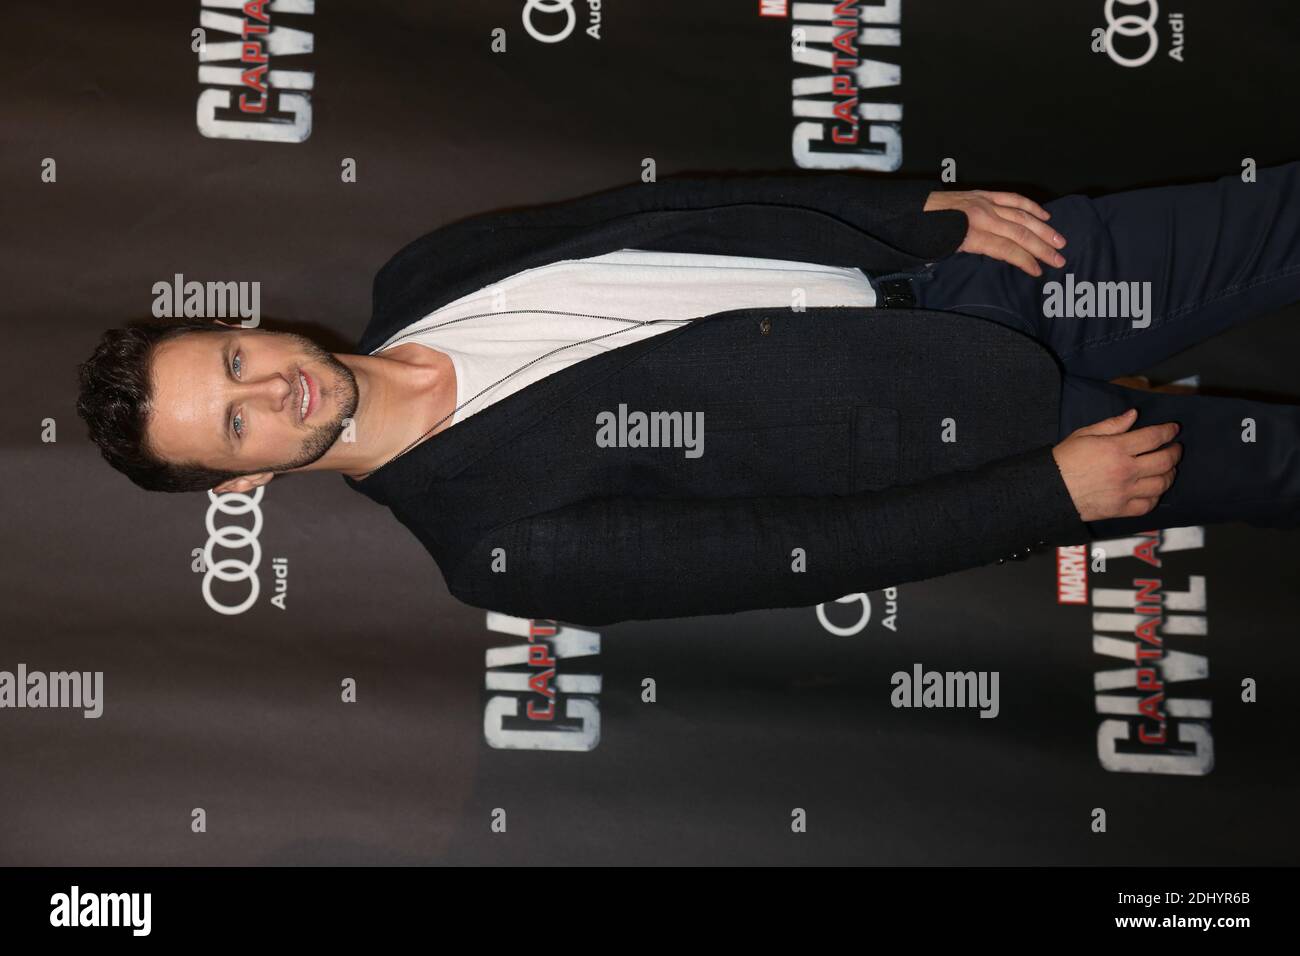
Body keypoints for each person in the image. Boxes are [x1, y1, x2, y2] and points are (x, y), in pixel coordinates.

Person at [77, 163, 1300, 626]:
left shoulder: (424, 270)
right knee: (1280, 464)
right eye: (236, 422)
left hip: (970, 268)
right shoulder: (498, 549)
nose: (272, 385)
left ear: (239, 324)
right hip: (1001, 435)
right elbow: (799, 553)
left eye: (233, 360)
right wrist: (1043, 493)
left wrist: (923, 213)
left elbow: (663, 210)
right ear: (240, 478)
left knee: (1274, 221)